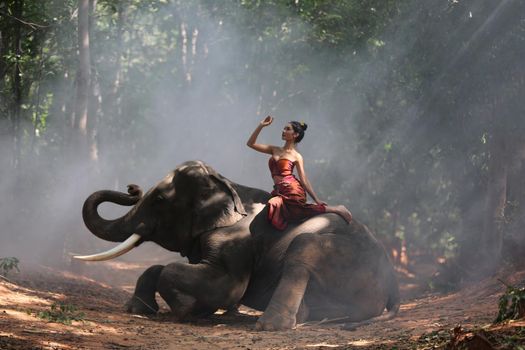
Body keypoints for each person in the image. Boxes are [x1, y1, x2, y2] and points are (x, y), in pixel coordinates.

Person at [247, 115, 353, 230]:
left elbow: (304, 179)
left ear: (295, 134)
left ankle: (337, 209)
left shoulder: (297, 156)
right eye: (284, 128)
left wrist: (316, 199)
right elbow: (250, 144)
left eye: (287, 129)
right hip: (280, 190)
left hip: (292, 190)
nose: (283, 131)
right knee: (275, 205)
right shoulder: (274, 149)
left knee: (296, 211)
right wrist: (261, 125)